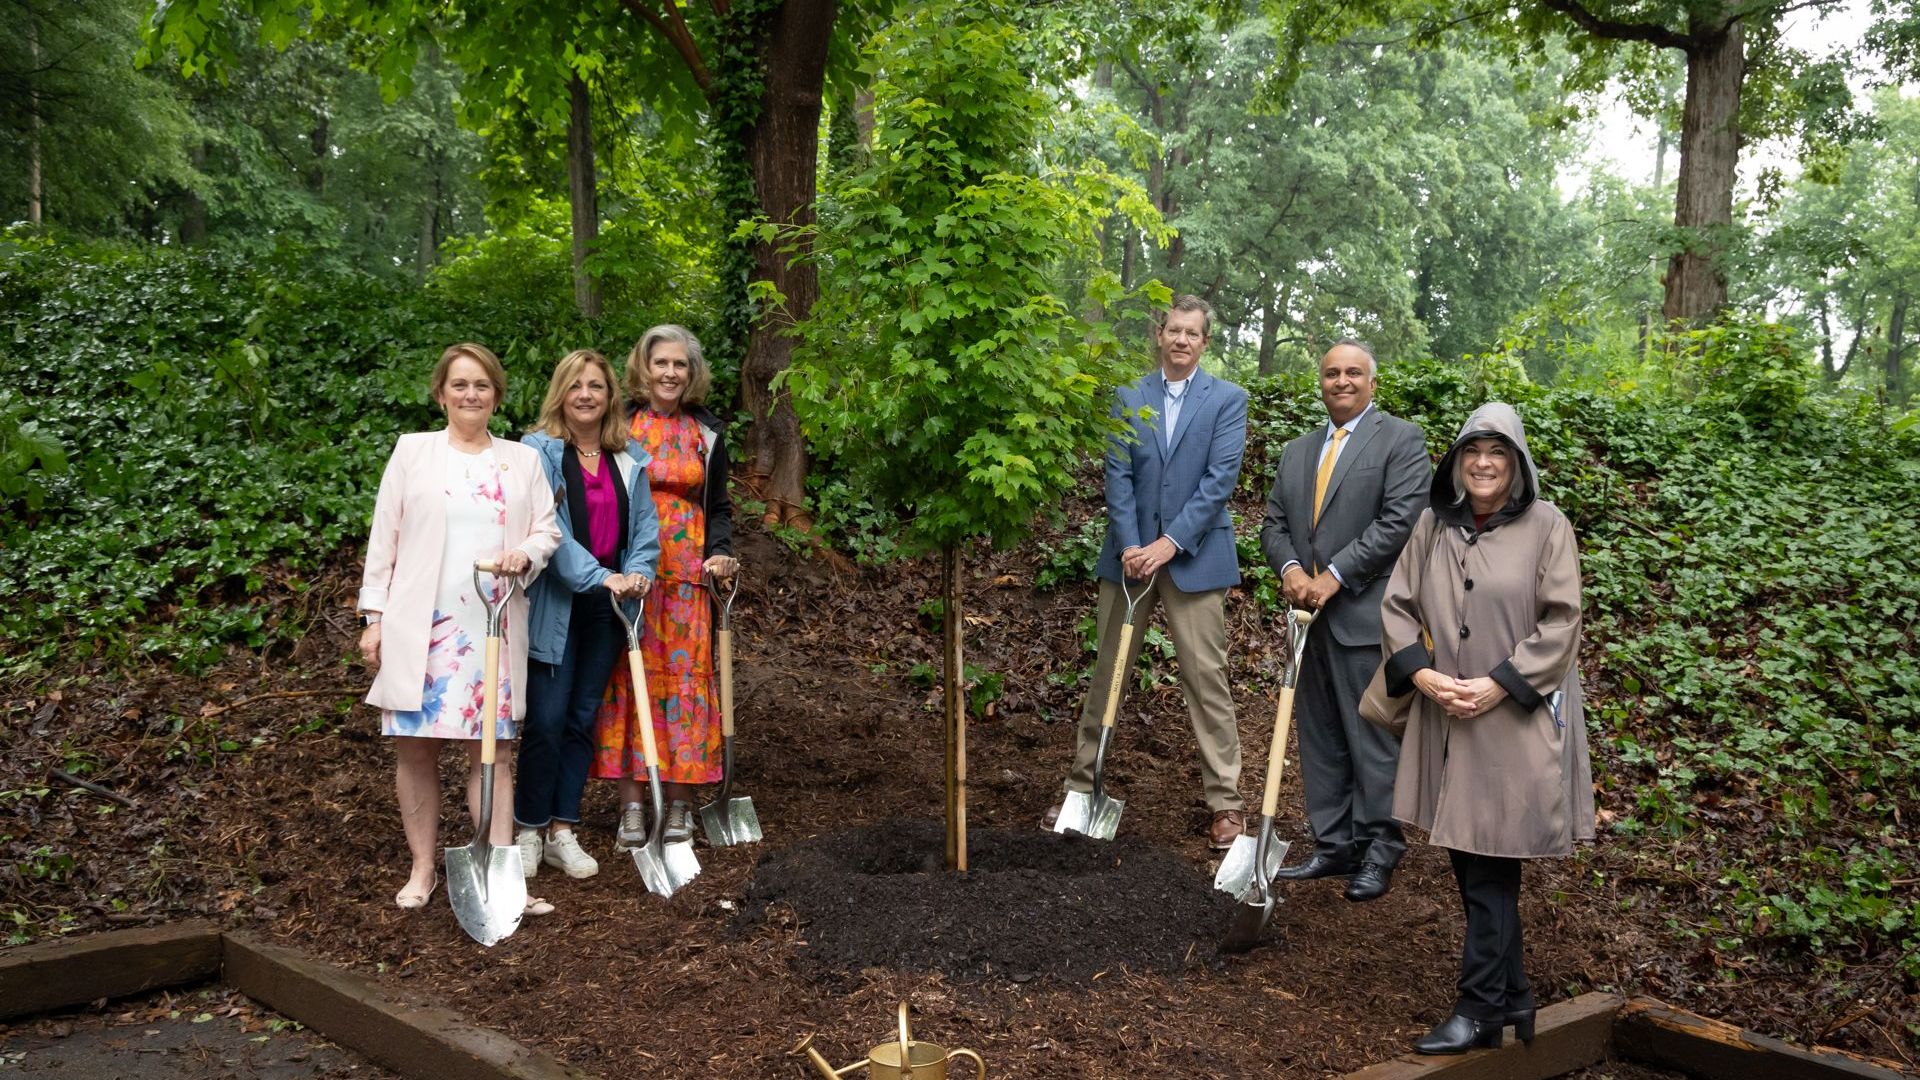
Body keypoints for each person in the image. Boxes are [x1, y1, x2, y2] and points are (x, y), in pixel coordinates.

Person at [1377, 402, 1594, 1054]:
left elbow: (1563, 621)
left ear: (1517, 461)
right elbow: (1396, 606)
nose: (1482, 463)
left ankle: (1479, 1009)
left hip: (1514, 721)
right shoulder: (1432, 526)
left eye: (1496, 452)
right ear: (1456, 460)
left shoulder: (1547, 526)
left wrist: (1500, 681)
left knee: (1493, 866)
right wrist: (1422, 676)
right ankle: (1515, 998)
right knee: (1473, 863)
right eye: (1472, 451)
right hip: (1448, 716)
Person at [358, 343, 561, 910]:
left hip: (490, 628)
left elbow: (547, 530)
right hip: (420, 627)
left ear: (497, 395)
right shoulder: (413, 453)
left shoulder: (522, 460)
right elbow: (385, 538)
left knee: (489, 753)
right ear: (440, 392)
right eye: (459, 385)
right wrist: (374, 617)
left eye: (482, 385)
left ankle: (500, 878)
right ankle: (422, 869)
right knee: (416, 751)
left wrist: (526, 552)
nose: (470, 395)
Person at [1045, 295, 1251, 851]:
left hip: (1196, 559)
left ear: (1205, 343)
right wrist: (1134, 545)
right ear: (1159, 335)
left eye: (1193, 333)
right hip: (1129, 559)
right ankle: (1083, 787)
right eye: (1174, 330)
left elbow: (1218, 481)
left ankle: (1226, 805)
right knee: (1108, 673)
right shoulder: (1128, 397)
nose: (1182, 340)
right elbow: (1117, 476)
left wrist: (1167, 544)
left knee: (1207, 681)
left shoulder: (1228, 400)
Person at [1258, 338, 1428, 901]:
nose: (1342, 382)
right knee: (1321, 735)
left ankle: (1379, 848)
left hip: (1363, 613)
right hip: (1307, 618)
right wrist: (1289, 569)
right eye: (1332, 374)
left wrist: (1333, 574)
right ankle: (1333, 845)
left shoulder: (1401, 440)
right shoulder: (1297, 451)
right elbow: (1274, 523)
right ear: (1321, 383)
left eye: (1354, 373)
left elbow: (1399, 521)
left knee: (1371, 738)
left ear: (1372, 383)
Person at [514, 350, 662, 883]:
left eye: (596, 386)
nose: (585, 395)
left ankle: (561, 831)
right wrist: (601, 576)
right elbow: (549, 529)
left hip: (609, 609)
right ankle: (527, 829)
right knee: (547, 720)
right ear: (561, 392)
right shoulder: (540, 453)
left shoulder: (629, 458)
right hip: (557, 605)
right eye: (575, 385)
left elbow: (645, 531)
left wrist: (638, 572)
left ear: (609, 396)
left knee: (580, 721)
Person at [592, 325, 738, 848]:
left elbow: (717, 504)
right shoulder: (621, 426)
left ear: (691, 372)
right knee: (631, 679)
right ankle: (632, 806)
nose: (670, 373)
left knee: (685, 683)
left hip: (689, 577)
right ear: (644, 369)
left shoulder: (707, 432)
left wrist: (719, 551)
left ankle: (679, 804)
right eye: (661, 364)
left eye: (680, 364)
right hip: (634, 571)